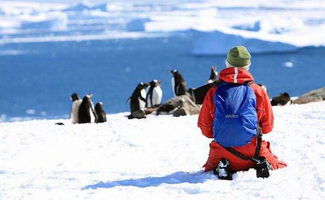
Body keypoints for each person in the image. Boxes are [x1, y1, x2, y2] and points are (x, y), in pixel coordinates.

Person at [198, 46, 287, 176]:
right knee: (279, 164)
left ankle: (222, 166)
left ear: (227, 63)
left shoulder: (213, 91)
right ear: (248, 66)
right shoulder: (258, 90)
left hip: (221, 151)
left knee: (211, 167)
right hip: (254, 151)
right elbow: (267, 127)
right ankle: (261, 164)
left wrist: (225, 132)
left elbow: (206, 128)